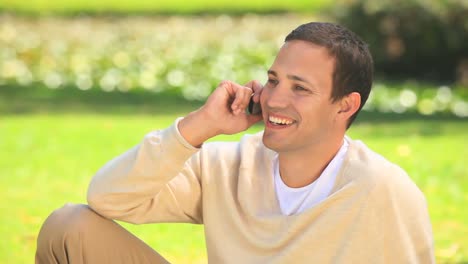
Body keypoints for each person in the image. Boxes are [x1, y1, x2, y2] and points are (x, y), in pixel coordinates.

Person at [36, 22, 434, 263]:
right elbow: (108, 198)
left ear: (345, 106)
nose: (275, 99)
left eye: (300, 88)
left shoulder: (381, 190)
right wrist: (198, 126)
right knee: (68, 227)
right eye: (274, 80)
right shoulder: (228, 166)